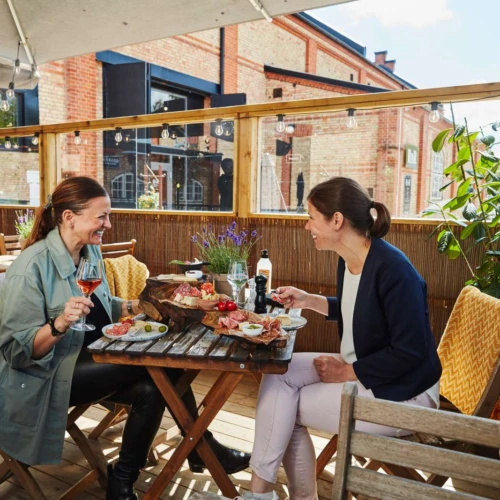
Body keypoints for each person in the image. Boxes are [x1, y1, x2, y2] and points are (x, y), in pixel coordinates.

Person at [0, 177, 249, 500]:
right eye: (101, 217)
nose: (109, 224)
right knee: (159, 364)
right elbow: (17, 353)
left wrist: (138, 305)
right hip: (46, 376)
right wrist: (60, 323)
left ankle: (123, 479)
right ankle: (202, 446)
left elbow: (105, 306)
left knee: (153, 387)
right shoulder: (30, 266)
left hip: (93, 358)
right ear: (69, 217)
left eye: (109, 215)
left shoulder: (89, 253)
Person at [243, 177, 442, 500]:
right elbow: (358, 307)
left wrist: (348, 373)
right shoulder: (350, 259)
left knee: (285, 408)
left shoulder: (395, 271)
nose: (307, 227)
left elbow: (411, 352)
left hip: (405, 392)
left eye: (311, 218)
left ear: (337, 220)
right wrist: (307, 299)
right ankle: (260, 494)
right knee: (279, 373)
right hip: (369, 370)